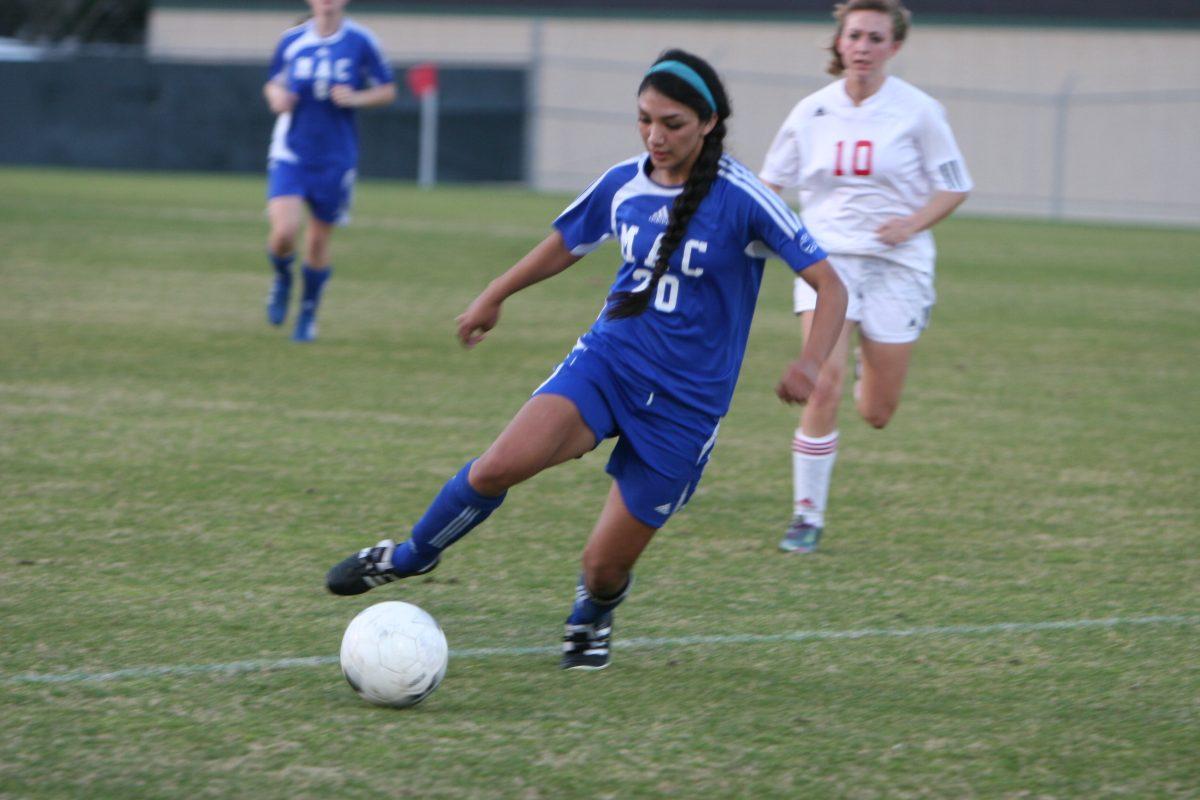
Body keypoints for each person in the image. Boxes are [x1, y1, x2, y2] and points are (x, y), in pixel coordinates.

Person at [325, 49, 847, 670]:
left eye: (673, 123)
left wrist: (811, 362)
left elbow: (831, 284)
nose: (656, 135)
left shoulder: (744, 197)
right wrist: (494, 295)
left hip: (686, 408)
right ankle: (409, 556)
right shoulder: (622, 182)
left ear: (708, 124)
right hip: (608, 364)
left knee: (603, 567)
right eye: (645, 119)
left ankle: (593, 612)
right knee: (496, 467)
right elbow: (564, 244)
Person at [759, 0, 971, 554]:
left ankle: (863, 357)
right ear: (838, 42)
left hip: (897, 266)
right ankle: (806, 517)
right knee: (820, 384)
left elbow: (954, 185)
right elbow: (770, 186)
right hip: (827, 263)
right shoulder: (811, 112)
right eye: (854, 35)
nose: (862, 46)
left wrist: (912, 223)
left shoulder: (919, 111)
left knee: (877, 412)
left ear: (894, 47)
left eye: (876, 38)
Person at [262, 0, 396, 342]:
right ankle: (281, 278)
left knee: (318, 241)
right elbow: (273, 82)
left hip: (335, 156)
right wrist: (277, 97)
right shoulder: (292, 40)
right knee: (284, 233)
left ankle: (307, 311)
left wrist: (356, 98)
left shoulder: (361, 41)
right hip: (291, 151)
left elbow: (387, 89)